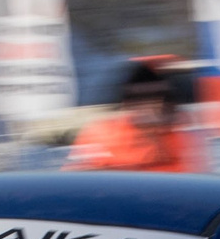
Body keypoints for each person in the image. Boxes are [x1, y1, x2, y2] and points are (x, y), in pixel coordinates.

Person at [66, 58, 208, 173]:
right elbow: (76, 184)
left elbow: (193, 185)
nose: (151, 104)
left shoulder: (180, 138)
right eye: (139, 98)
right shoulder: (101, 135)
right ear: (126, 103)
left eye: (158, 96)